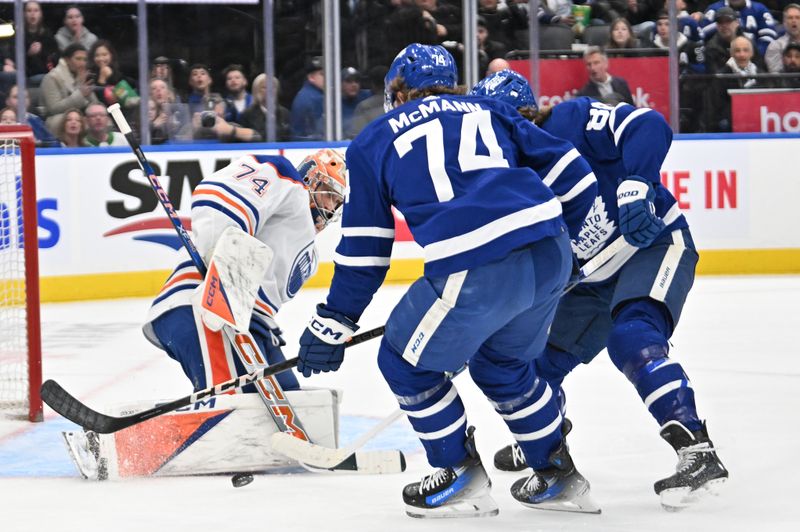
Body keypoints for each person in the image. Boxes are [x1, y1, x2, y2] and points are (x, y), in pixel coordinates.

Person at [295, 43, 600, 518]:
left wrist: (334, 322)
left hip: (477, 263)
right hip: (550, 251)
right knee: (504, 369)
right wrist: (574, 251)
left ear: (396, 90)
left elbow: (365, 252)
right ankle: (559, 477)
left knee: (404, 362)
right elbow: (577, 178)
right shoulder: (490, 110)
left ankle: (458, 474)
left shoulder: (373, 140)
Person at [471, 69, 729, 511]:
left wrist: (636, 183)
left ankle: (698, 451)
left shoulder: (571, 121)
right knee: (534, 364)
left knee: (632, 337)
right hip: (589, 279)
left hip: (650, 243)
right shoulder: (502, 179)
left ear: (524, 117)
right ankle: (546, 445)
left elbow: (649, 125)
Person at [143, 148, 347, 397]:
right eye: (330, 195)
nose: (331, 207)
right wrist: (224, 269)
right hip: (200, 305)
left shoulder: (308, 255)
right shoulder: (286, 179)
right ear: (311, 179)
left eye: (337, 203)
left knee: (291, 401)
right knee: (231, 409)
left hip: (246, 326)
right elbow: (217, 196)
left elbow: (260, 301)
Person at [40, 43, 98, 132]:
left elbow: (95, 104)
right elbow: (54, 108)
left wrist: (82, 84)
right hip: (58, 118)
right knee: (65, 121)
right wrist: (80, 94)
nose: (82, 63)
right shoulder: (52, 77)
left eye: (85, 60)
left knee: (100, 116)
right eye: (78, 59)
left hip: (80, 115)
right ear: (67, 60)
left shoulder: (82, 76)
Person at [700, 0, 778, 56]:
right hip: (720, 58)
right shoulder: (713, 10)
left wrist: (752, 54)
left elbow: (769, 37)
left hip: (752, 59)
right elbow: (702, 37)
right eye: (722, 22)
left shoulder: (760, 9)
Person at [239, 73, 291, 141]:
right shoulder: (247, 115)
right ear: (256, 91)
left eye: (273, 87)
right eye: (265, 87)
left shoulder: (285, 113)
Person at [88, 40, 138, 109]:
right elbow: (99, 101)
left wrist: (111, 76)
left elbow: (129, 96)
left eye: (104, 55)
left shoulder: (122, 73)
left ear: (111, 55)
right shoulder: (90, 77)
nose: (101, 59)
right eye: (97, 55)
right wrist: (102, 79)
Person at [22, 1, 59, 84]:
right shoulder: (19, 35)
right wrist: (29, 54)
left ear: (40, 14)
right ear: (24, 14)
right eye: (29, 10)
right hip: (27, 76)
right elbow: (14, 59)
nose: (32, 14)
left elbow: (55, 57)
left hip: (47, 74)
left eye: (36, 10)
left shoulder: (47, 34)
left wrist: (42, 52)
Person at [290, 57, 325, 141]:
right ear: (311, 77)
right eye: (322, 74)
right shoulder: (314, 98)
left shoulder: (306, 93)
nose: (327, 77)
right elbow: (319, 132)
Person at [765, 3, 800, 73]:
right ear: (784, 22)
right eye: (790, 18)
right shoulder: (774, 46)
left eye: (797, 17)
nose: (794, 21)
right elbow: (776, 74)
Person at [341, 67, 371, 139]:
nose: (354, 84)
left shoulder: (367, 97)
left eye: (356, 81)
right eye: (349, 81)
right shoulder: (334, 103)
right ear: (340, 84)